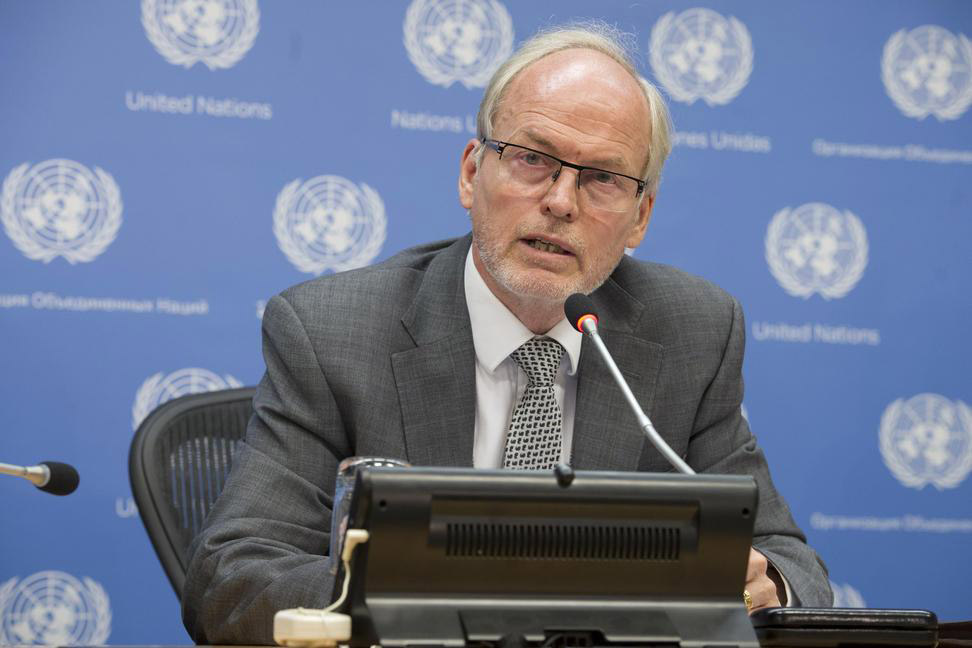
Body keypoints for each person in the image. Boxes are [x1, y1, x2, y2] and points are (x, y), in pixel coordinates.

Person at [182, 22, 832, 645]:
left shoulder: (694, 332)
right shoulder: (334, 331)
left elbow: (792, 566)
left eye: (603, 178)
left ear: (641, 217)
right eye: (532, 159)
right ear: (472, 172)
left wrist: (766, 584)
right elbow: (233, 575)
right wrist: (436, 594)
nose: (561, 202)